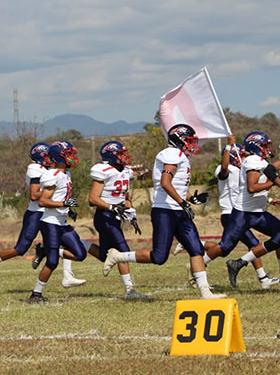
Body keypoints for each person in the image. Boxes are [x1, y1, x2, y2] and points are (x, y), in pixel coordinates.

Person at [102, 124, 227, 299]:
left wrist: (190, 199)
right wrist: (183, 202)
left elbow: (177, 186)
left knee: (196, 248)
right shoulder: (172, 154)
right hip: (165, 211)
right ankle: (119, 256)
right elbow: (165, 183)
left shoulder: (179, 155)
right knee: (159, 257)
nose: (191, 143)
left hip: (177, 210)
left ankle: (205, 293)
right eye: (188, 140)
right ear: (179, 140)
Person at [174, 134, 279, 289]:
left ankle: (249, 269)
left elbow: (257, 182)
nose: (267, 149)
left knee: (272, 237)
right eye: (264, 145)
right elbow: (250, 187)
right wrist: (229, 147)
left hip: (256, 212)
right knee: (225, 247)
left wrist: (270, 199)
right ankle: (199, 265)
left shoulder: (256, 163)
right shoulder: (240, 165)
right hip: (240, 214)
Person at [0, 142, 85, 288]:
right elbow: (35, 195)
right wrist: (56, 193)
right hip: (37, 212)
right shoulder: (35, 168)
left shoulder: (60, 172)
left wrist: (65, 203)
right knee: (21, 248)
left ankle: (67, 275)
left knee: (64, 242)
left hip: (53, 212)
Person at [28, 140, 88, 303]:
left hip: (61, 223)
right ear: (58, 157)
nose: (72, 157)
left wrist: (68, 209)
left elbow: (61, 197)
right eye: (68, 154)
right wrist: (64, 204)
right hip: (50, 223)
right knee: (52, 262)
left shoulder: (66, 174)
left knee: (80, 254)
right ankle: (36, 294)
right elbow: (43, 202)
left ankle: (45, 250)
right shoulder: (53, 175)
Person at [87, 140, 147, 299]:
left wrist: (131, 212)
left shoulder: (125, 171)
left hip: (115, 216)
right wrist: (112, 208)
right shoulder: (104, 170)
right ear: (110, 156)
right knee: (123, 250)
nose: (124, 156)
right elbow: (92, 199)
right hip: (104, 216)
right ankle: (130, 291)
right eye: (120, 154)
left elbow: (124, 195)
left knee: (104, 255)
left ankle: (79, 244)